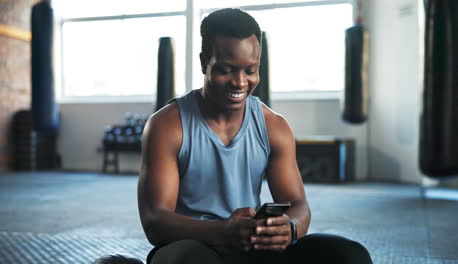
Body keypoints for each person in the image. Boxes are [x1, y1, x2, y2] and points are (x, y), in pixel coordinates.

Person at [138, 8, 373, 264]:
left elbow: (298, 205)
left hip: (252, 246)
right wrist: (222, 231)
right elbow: (155, 221)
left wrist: (289, 228)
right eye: (226, 70)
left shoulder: (274, 126)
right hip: (196, 246)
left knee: (350, 256)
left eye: (250, 71)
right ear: (204, 61)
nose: (240, 82)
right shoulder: (167, 126)